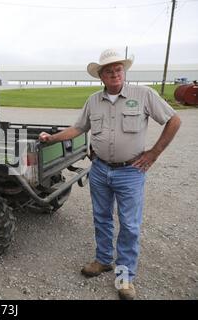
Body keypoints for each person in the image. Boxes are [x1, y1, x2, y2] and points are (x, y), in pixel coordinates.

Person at [39, 49, 181, 300]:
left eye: (118, 69)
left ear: (123, 72)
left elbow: (174, 120)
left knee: (129, 225)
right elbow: (78, 128)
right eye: (108, 71)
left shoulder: (144, 94)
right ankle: (103, 259)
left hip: (131, 172)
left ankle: (125, 276)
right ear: (101, 76)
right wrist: (52, 138)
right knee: (102, 217)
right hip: (100, 169)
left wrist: (154, 153)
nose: (114, 74)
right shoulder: (93, 100)